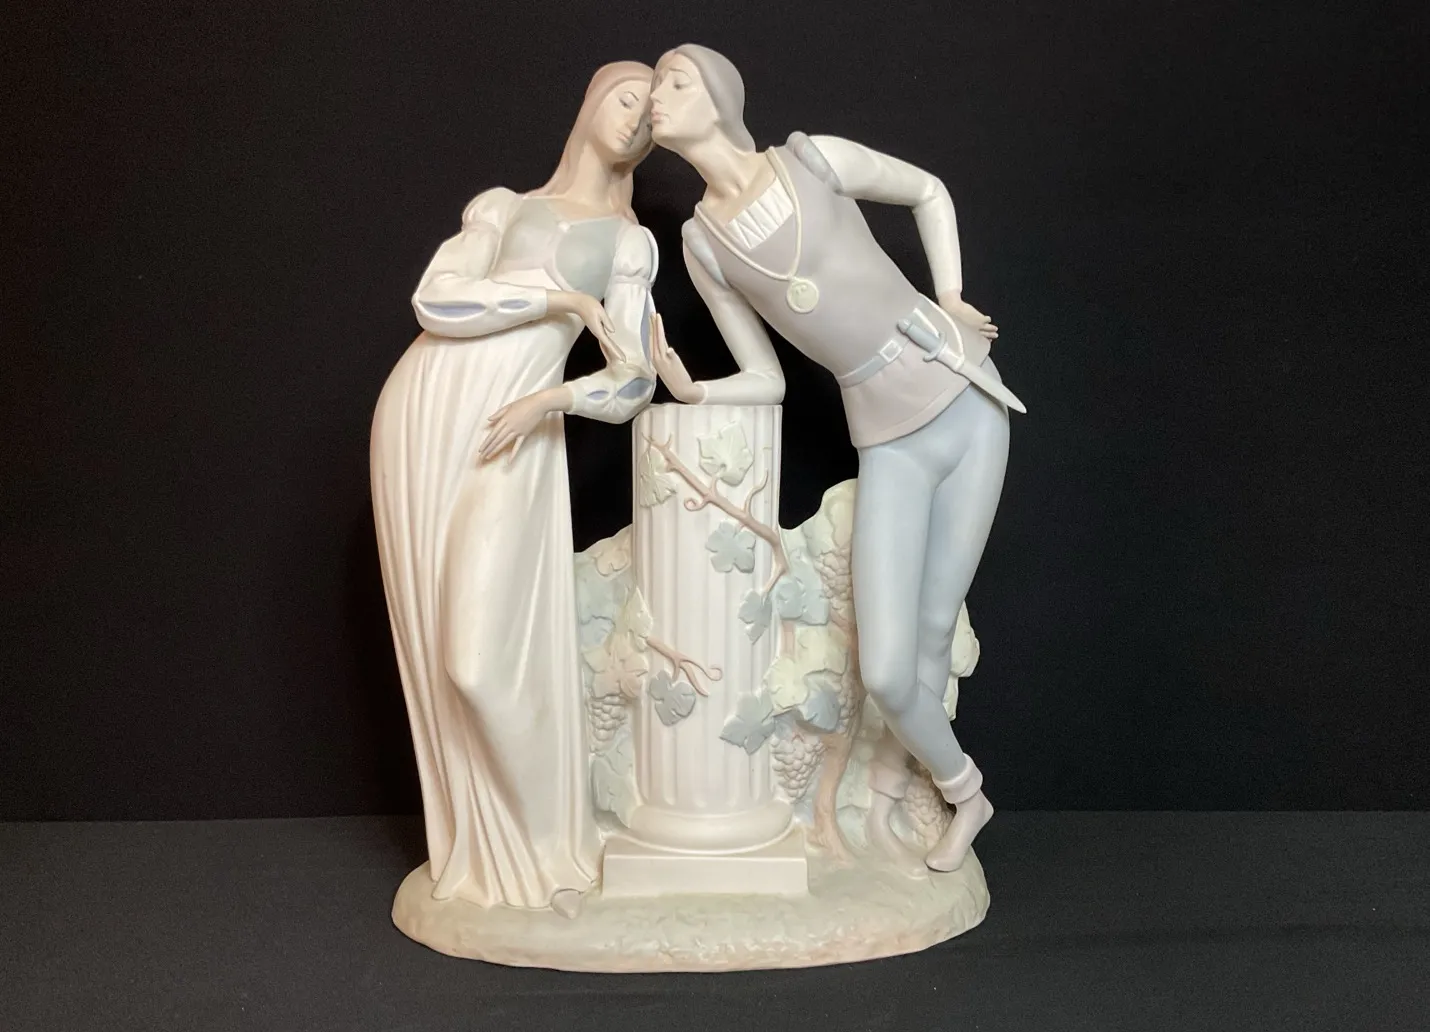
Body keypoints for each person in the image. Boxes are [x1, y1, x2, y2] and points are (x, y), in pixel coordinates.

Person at [646, 44, 1022, 873]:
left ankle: (901, 796)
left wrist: (951, 296)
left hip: (967, 398)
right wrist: (694, 391)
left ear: (719, 93)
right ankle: (967, 788)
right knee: (887, 669)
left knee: (933, 630)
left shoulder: (811, 159)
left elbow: (928, 189)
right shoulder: (704, 244)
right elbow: (767, 378)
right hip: (886, 439)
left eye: (674, 80)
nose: (656, 97)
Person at [370, 61, 660, 916]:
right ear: (591, 101)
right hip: (426, 417)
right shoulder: (504, 206)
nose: (636, 120)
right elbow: (435, 301)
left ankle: (546, 853)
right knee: (440, 647)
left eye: (652, 117)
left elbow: (633, 381)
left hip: (514, 431)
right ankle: (493, 857)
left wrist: (551, 400)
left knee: (476, 662)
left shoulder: (630, 242)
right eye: (625, 99)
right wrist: (559, 297)